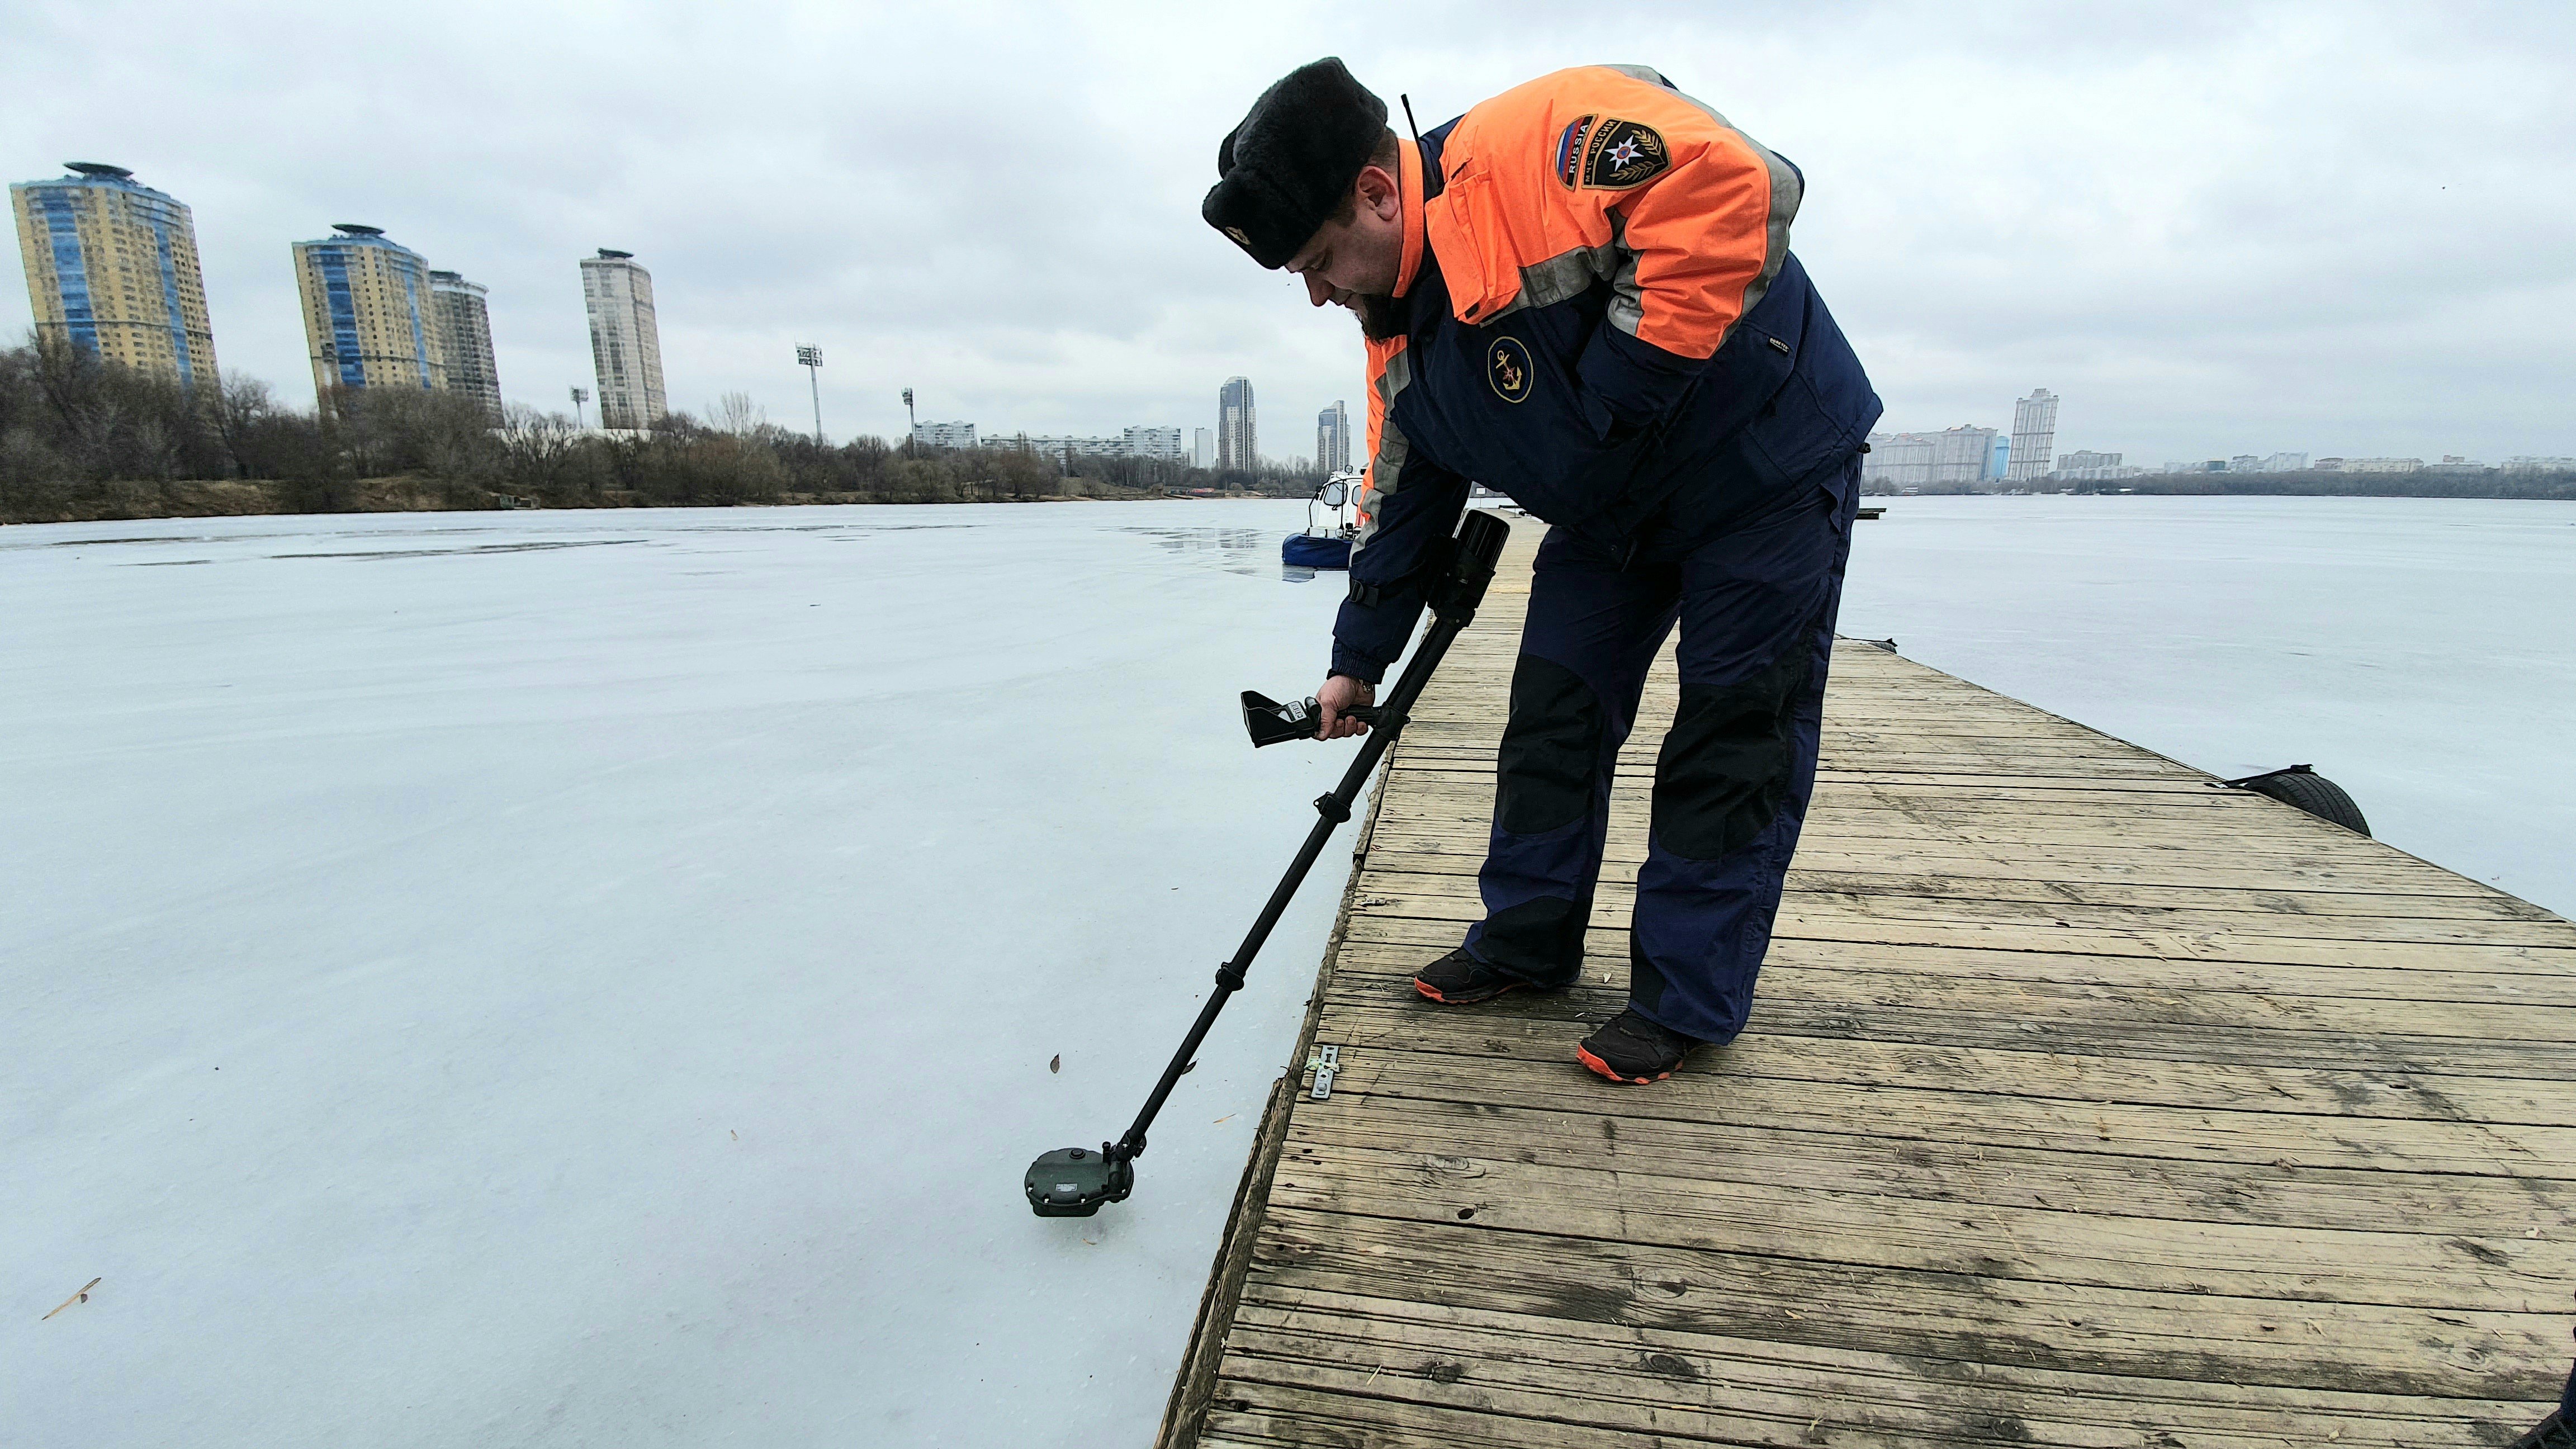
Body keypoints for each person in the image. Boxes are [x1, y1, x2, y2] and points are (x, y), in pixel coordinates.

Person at [1204, 59, 1880, 1084]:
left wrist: (1607, 404)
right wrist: (1356, 661)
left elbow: (1738, 186)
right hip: (1615, 514)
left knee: (1732, 732)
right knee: (1553, 712)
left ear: (1378, 194)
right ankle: (1527, 942)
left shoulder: (1538, 146)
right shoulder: (1395, 335)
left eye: (1319, 259)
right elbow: (1399, 500)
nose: (1316, 293)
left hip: (1765, 474)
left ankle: (1684, 1001)